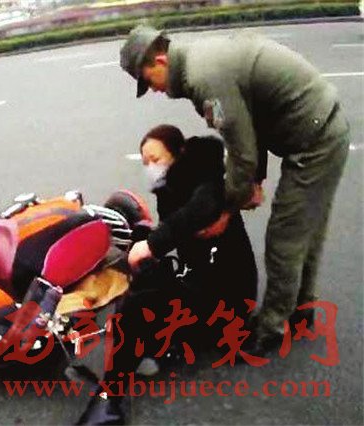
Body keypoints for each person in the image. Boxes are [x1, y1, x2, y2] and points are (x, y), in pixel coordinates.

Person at [119, 26, 350, 357]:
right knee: (305, 231)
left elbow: (241, 149)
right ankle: (302, 310)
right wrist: (255, 180)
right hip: (320, 126)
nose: (153, 90)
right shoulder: (200, 61)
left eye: (147, 80)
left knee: (285, 238)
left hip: (315, 141)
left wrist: (226, 209)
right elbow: (251, 126)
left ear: (160, 61)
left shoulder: (204, 80)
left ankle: (271, 328)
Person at [76, 125, 258, 425]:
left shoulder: (209, 180)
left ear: (178, 154)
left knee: (139, 305)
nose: (151, 167)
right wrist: (145, 251)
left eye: (156, 159)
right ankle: (145, 345)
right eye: (145, 161)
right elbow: (171, 238)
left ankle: (110, 398)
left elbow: (201, 208)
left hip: (228, 298)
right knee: (143, 279)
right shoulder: (169, 192)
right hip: (199, 281)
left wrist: (153, 244)